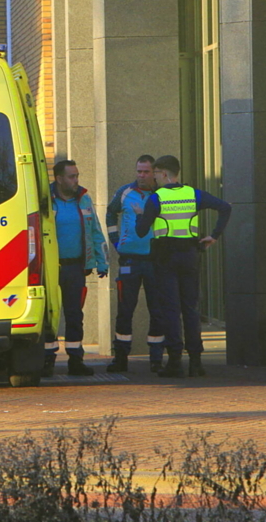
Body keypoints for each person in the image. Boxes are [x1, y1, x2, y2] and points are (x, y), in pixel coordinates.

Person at [135, 155, 231, 378]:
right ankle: (196, 362)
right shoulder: (194, 194)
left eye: (156, 173)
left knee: (171, 309)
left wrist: (142, 216)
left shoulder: (156, 198)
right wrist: (214, 236)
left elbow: (141, 231)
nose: (155, 178)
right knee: (190, 308)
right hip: (190, 255)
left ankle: (175, 361)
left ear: (165, 174)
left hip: (165, 257)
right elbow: (225, 208)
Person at [44, 160, 108, 377]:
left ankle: (75, 360)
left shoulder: (84, 199)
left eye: (77, 175)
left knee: (74, 315)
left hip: (76, 266)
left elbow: (96, 232)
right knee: (49, 316)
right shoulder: (46, 200)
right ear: (59, 179)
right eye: (71, 176)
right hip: (50, 268)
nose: (76, 180)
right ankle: (47, 360)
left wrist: (102, 261)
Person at [105, 154, 165, 372]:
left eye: (146, 172)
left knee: (157, 309)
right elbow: (110, 214)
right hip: (129, 258)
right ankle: (120, 358)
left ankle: (156, 359)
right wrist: (116, 241)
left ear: (155, 173)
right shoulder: (125, 193)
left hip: (155, 260)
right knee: (125, 309)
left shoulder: (161, 195)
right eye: (138, 171)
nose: (141, 175)